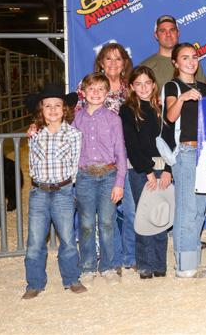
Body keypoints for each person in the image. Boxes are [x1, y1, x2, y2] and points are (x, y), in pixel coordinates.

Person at [22, 83, 85, 299]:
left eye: (57, 105)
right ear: (41, 110)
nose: (53, 110)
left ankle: (72, 278)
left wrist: (69, 187)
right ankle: (34, 283)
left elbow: (75, 163)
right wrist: (32, 128)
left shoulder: (74, 134)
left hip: (63, 191)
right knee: (35, 240)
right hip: (39, 192)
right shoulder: (35, 134)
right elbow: (32, 162)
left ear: (65, 109)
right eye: (47, 106)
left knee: (67, 238)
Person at [161, 43, 206, 278]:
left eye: (194, 57)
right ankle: (184, 265)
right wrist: (182, 98)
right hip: (184, 152)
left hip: (204, 152)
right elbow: (170, 117)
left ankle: (192, 261)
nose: (191, 61)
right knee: (186, 208)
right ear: (175, 62)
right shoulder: (172, 86)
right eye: (185, 58)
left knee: (199, 209)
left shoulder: (205, 87)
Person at [73, 72, 128, 285]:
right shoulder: (76, 119)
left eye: (100, 89)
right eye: (91, 89)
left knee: (107, 222)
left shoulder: (114, 119)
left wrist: (119, 183)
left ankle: (108, 266)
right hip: (85, 175)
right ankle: (87, 267)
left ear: (107, 93)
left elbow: (120, 151)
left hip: (108, 175)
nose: (95, 93)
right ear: (83, 92)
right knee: (86, 223)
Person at [120, 66, 171, 279]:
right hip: (140, 170)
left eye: (147, 83)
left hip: (163, 169)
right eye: (138, 84)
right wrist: (148, 171)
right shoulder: (127, 110)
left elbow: (171, 142)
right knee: (144, 216)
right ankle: (144, 264)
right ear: (132, 87)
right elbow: (132, 144)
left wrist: (168, 170)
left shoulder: (162, 109)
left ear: (154, 85)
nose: (143, 88)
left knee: (161, 215)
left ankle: (159, 264)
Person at [139, 15, 180, 87]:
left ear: (178, 33)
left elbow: (201, 90)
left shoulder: (191, 61)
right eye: (162, 31)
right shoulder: (146, 67)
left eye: (172, 30)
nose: (168, 34)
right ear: (156, 35)